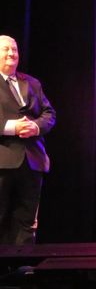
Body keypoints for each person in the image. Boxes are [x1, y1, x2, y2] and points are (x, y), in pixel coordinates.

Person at [0, 35, 56, 244]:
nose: (11, 53)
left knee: (27, 221)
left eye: (14, 49)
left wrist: (35, 126)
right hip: (2, 160)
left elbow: (49, 114)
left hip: (32, 160)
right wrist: (12, 128)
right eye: (6, 49)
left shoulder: (32, 82)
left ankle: (23, 261)